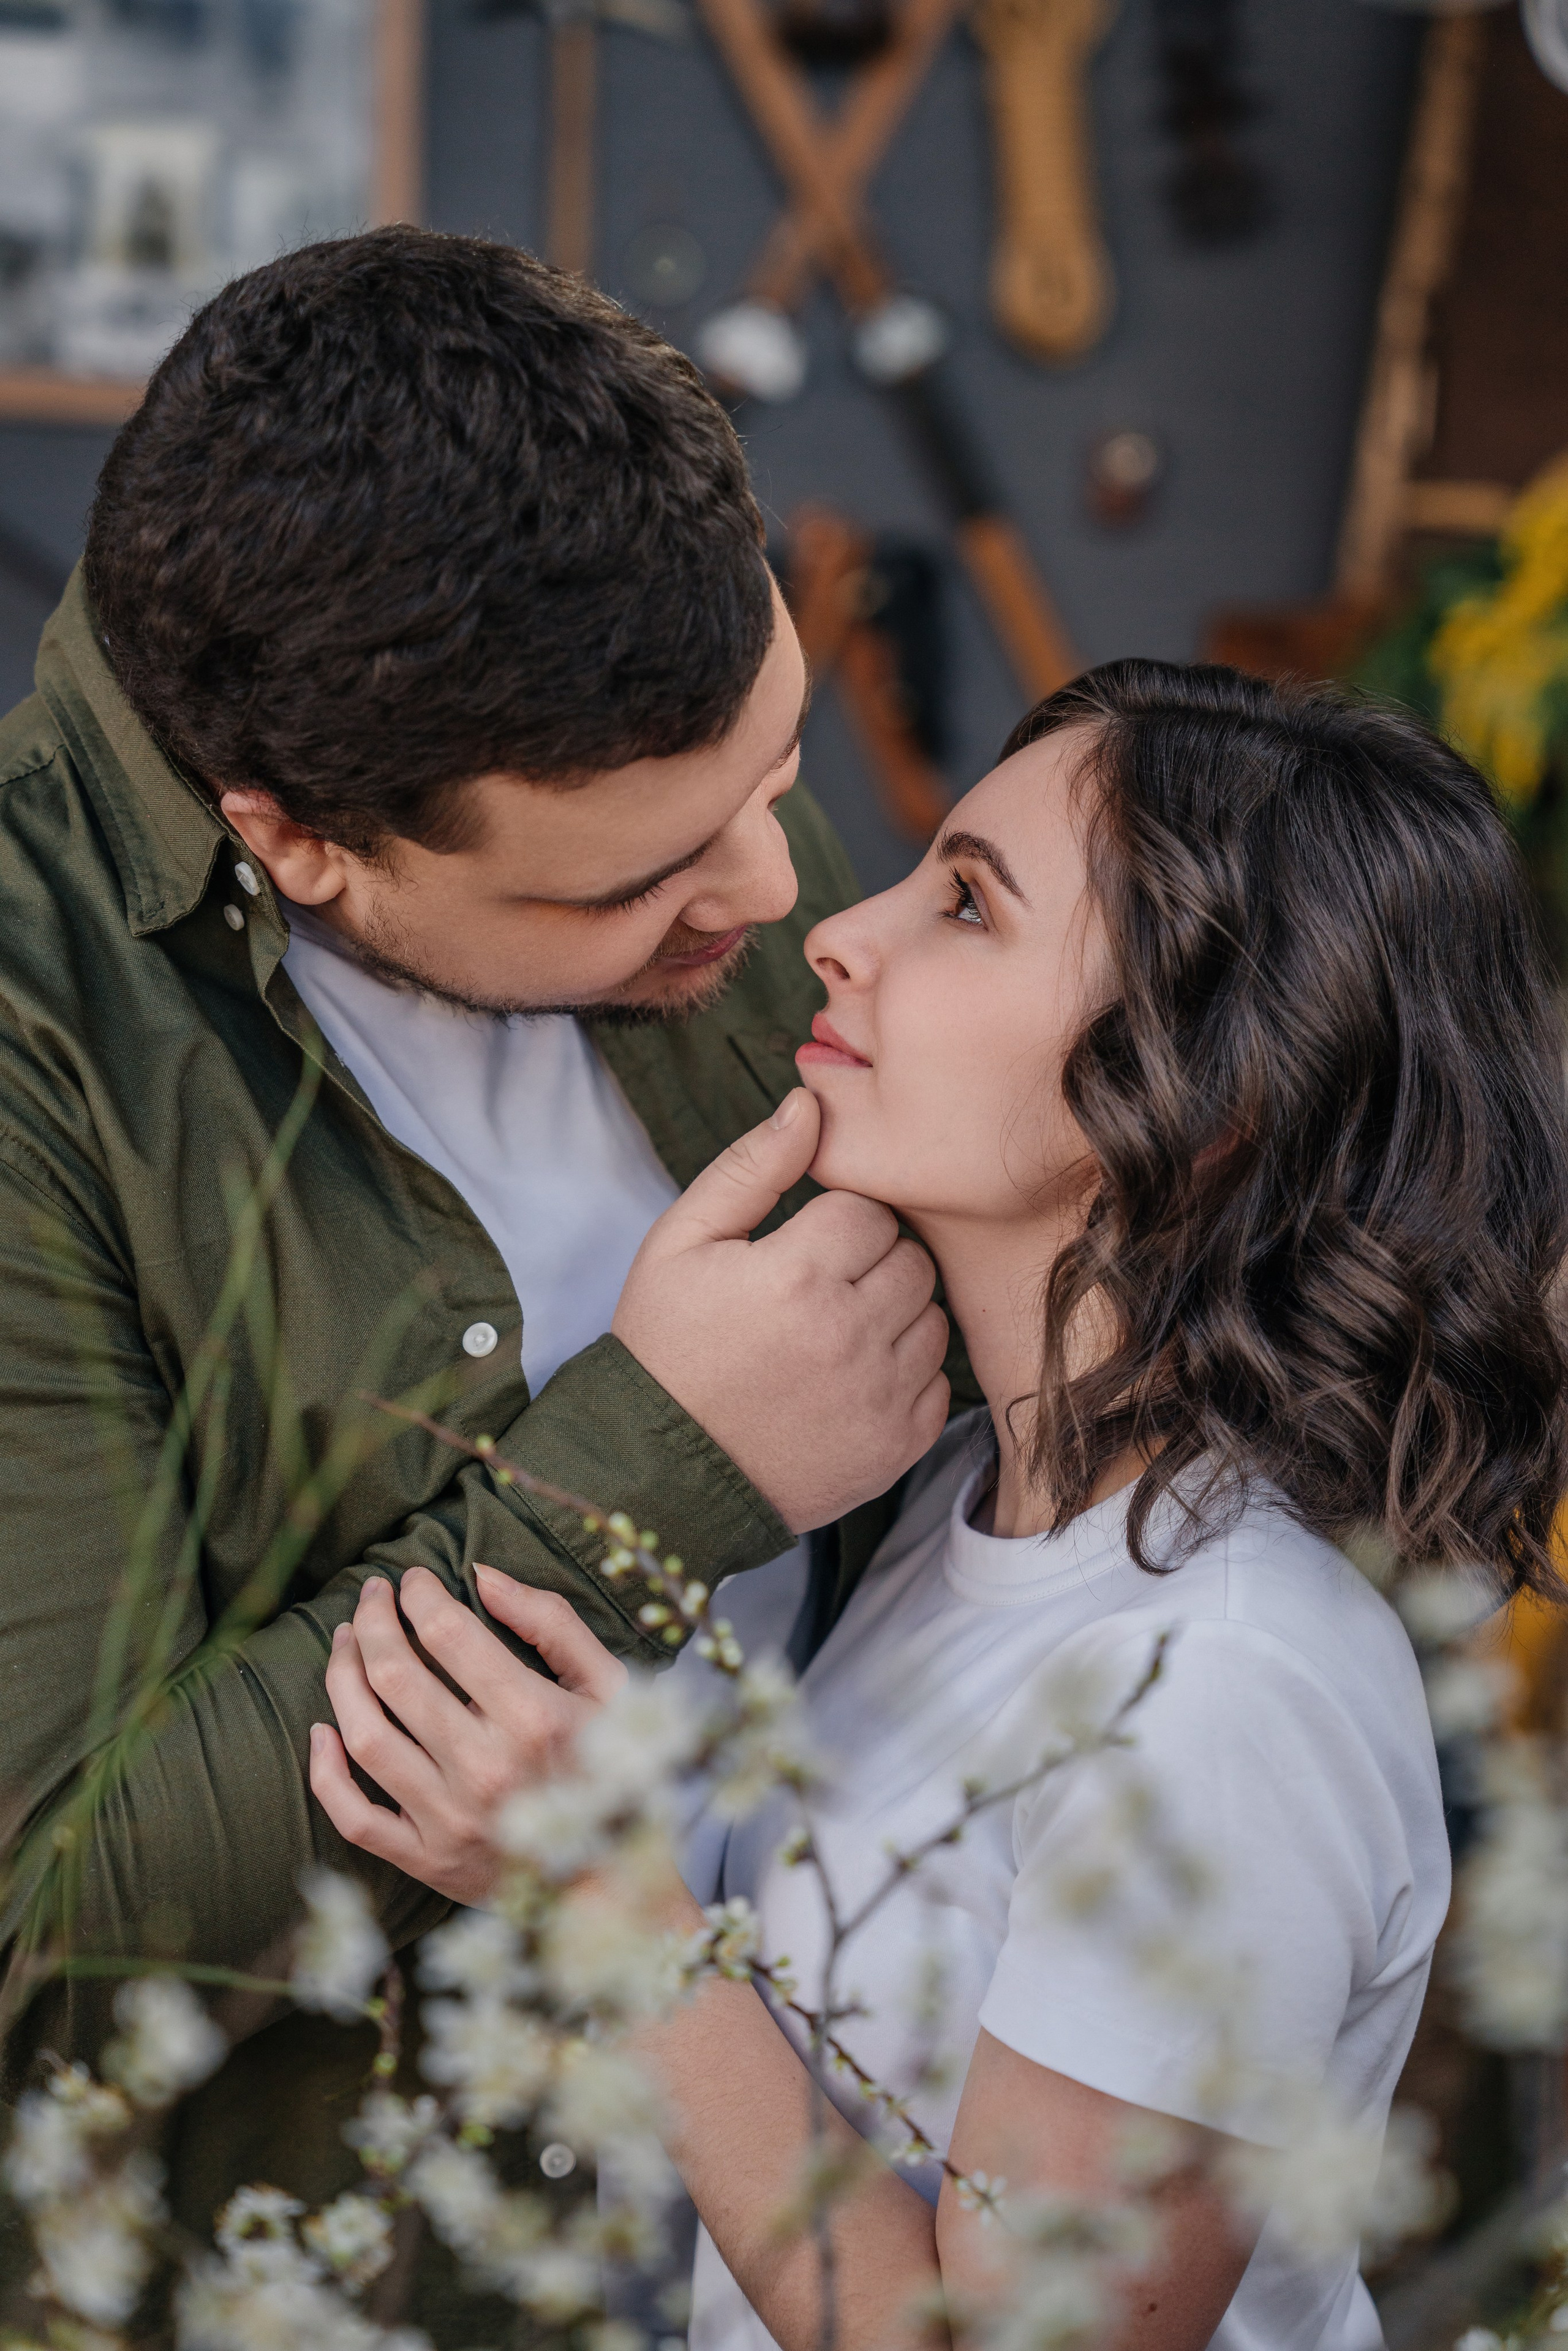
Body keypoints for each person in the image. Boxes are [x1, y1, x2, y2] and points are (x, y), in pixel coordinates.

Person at [315, 662, 1568, 2351]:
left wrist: (607, 1895)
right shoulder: (975, 1499)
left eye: (968, 904)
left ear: (1213, 1097)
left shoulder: (1224, 1689)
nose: (840, 931)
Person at [0, 227, 959, 2331]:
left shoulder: (678, 801)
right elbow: (55, 1920)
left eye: (783, 780)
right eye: (637, 881)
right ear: (308, 839)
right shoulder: (33, 1050)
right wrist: (666, 1471)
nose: (780, 895)